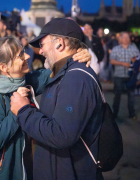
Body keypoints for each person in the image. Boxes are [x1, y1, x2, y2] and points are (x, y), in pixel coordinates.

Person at [0, 36, 92, 180]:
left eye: (23, 51)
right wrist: (16, 111)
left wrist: (76, 56)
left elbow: (54, 73)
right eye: (20, 55)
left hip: (20, 170)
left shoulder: (24, 82)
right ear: (3, 67)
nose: (27, 56)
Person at [10, 18, 104, 179]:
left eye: (42, 44)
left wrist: (23, 111)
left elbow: (61, 135)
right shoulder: (63, 74)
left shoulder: (76, 79)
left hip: (67, 172)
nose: (40, 51)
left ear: (59, 44)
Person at [110, 32, 140, 120]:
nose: (126, 39)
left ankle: (132, 113)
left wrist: (135, 63)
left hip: (131, 76)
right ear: (120, 39)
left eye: (128, 37)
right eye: (124, 37)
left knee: (131, 96)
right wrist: (123, 63)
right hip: (119, 75)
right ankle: (114, 114)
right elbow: (112, 61)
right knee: (117, 95)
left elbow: (138, 62)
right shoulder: (116, 49)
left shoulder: (134, 49)